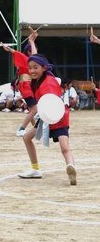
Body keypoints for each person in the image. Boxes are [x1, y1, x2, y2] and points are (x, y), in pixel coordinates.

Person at [18, 54, 77, 185]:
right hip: (47, 115)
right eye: (30, 68)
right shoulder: (43, 77)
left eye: (35, 68)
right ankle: (67, 166)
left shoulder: (48, 83)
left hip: (56, 116)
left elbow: (51, 101)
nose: (32, 71)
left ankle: (71, 168)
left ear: (44, 68)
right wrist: (32, 43)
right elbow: (35, 58)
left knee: (64, 147)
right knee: (28, 138)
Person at [1, 28, 39, 136]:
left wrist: (32, 40)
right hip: (26, 85)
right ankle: (21, 128)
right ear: (28, 52)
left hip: (28, 85)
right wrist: (31, 41)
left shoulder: (29, 60)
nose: (35, 51)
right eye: (32, 49)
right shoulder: (26, 59)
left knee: (32, 109)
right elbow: (33, 56)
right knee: (35, 109)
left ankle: (36, 128)